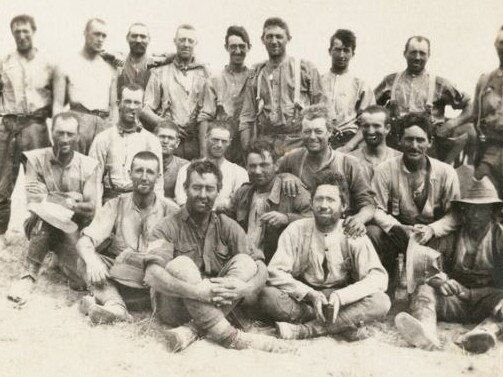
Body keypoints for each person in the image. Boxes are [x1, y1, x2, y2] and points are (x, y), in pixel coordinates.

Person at [144, 160, 290, 353]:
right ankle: (230, 337)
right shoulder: (167, 226)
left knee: (246, 262)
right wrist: (196, 292)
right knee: (181, 264)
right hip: (175, 306)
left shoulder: (226, 225)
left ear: (218, 190)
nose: (203, 195)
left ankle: (192, 330)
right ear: (186, 188)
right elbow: (152, 275)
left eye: (209, 189)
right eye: (196, 188)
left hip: (217, 303)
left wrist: (245, 288)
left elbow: (260, 266)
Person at [259, 171, 390, 340]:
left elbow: (378, 277)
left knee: (381, 302)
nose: (323, 205)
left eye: (331, 199)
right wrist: (310, 294)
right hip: (305, 301)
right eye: (319, 199)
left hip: (342, 301)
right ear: (311, 203)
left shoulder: (352, 232)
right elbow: (274, 272)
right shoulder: (296, 230)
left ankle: (305, 330)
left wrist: (340, 297)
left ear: (343, 206)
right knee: (267, 296)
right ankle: (342, 324)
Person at [395, 177, 503, 354]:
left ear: (492, 212)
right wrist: (439, 280)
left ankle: (484, 333)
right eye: (471, 209)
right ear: (464, 211)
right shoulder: (451, 237)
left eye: (482, 210)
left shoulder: (499, 237)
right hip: (454, 299)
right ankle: (426, 331)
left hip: (488, 302)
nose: (475, 215)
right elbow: (424, 264)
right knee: (423, 289)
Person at [7, 112, 98, 305]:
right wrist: (70, 200)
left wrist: (49, 196)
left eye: (70, 134)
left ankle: (58, 257)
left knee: (79, 282)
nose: (64, 139)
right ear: (52, 134)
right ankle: (28, 276)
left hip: (74, 229)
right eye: (60, 133)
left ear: (78, 136)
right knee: (46, 217)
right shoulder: (35, 159)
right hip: (40, 224)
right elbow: (34, 201)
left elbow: (90, 209)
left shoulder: (89, 165)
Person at [77, 151, 178, 324]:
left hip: (154, 281)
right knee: (84, 261)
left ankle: (104, 300)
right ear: (129, 173)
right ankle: (116, 306)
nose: (144, 177)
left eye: (150, 172)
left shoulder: (171, 211)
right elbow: (85, 241)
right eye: (139, 171)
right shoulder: (116, 204)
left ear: (158, 177)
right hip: (120, 275)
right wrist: (93, 261)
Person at [368, 113, 460, 293]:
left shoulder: (446, 172)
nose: (414, 146)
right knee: (373, 232)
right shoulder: (385, 170)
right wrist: (397, 227)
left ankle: (437, 284)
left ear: (430, 142)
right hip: (397, 232)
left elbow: (455, 214)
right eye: (409, 139)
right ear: (399, 140)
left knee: (453, 238)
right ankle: (386, 283)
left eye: (420, 140)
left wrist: (432, 229)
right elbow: (375, 208)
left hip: (431, 235)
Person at [0, 14, 61, 234]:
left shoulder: (47, 64)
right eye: (17, 31)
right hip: (7, 128)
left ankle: (38, 238)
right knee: (2, 185)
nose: (22, 35)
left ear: (33, 31)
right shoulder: (5, 62)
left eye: (26, 31)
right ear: (12, 34)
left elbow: (57, 100)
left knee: (40, 186)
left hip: (36, 127)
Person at [278, 104, 375, 238]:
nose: (312, 137)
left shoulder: (349, 164)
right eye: (307, 132)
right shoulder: (293, 159)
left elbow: (368, 205)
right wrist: (285, 176)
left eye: (318, 131)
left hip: (340, 229)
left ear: (329, 132)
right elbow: (270, 176)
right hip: (303, 228)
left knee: (371, 233)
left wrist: (359, 219)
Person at [374, 35, 473, 162]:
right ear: (404, 53)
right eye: (413, 52)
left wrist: (451, 124)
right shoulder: (390, 81)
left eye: (422, 53)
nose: (417, 57)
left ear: (429, 55)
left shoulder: (440, 84)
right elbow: (370, 106)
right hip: (395, 147)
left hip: (427, 151)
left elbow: (471, 105)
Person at [239, 17, 325, 157]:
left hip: (299, 143)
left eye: (279, 36)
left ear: (288, 38)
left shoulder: (305, 69)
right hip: (266, 145)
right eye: (269, 37)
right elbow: (246, 117)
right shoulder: (256, 72)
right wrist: (248, 151)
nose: (274, 41)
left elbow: (322, 110)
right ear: (263, 40)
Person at [228, 139, 312, 263]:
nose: (257, 171)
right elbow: (226, 219)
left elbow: (315, 219)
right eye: (252, 166)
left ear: (276, 165)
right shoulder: (243, 193)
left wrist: (287, 219)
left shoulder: (291, 189)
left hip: (278, 262)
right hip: (244, 259)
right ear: (246, 167)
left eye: (264, 165)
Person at [142, 24, 210, 159]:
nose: (186, 44)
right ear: (175, 41)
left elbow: (208, 112)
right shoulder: (159, 72)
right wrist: (168, 125)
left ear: (196, 43)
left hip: (195, 142)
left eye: (190, 41)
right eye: (182, 40)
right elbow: (145, 109)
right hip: (167, 142)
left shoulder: (205, 74)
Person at [89, 83, 163, 205]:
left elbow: (158, 182)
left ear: (142, 106)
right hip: (109, 201)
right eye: (127, 102)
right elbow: (94, 180)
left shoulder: (151, 141)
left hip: (139, 203)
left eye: (136, 103)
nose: (132, 107)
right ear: (119, 104)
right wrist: (98, 213)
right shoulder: (103, 138)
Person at [54, 18, 118, 155]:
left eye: (104, 35)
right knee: (75, 170)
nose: (100, 39)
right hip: (77, 123)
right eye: (96, 34)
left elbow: (113, 106)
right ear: (85, 33)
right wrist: (57, 132)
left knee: (100, 172)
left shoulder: (109, 69)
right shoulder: (67, 64)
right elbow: (58, 103)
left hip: (103, 125)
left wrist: (114, 131)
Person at [198, 26, 251, 164]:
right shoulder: (215, 79)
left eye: (242, 46)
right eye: (233, 46)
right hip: (221, 142)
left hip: (246, 142)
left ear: (249, 47)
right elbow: (205, 116)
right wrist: (204, 154)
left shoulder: (254, 78)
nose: (238, 51)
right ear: (226, 47)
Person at [174, 120, 248, 211]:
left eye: (224, 141)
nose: (219, 145)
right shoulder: (186, 170)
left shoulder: (239, 173)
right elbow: (182, 202)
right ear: (206, 137)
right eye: (215, 140)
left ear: (229, 142)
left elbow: (237, 204)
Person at [321, 29, 375, 153]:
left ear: (352, 54)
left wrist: (348, 147)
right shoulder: (318, 82)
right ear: (330, 51)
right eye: (337, 49)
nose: (341, 55)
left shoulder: (361, 85)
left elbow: (368, 123)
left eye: (346, 50)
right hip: (322, 141)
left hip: (350, 143)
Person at [473, 25, 503, 198]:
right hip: (488, 149)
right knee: (480, 195)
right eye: (501, 43)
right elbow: (475, 115)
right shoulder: (486, 80)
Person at [348, 105, 401, 182]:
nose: (371, 131)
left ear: (387, 128)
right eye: (366, 126)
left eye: (376, 126)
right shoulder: (350, 160)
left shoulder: (399, 159)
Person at [155, 119, 189, 199]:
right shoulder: (143, 163)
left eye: (170, 138)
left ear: (177, 143)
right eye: (162, 137)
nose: (165, 141)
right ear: (154, 138)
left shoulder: (185, 167)